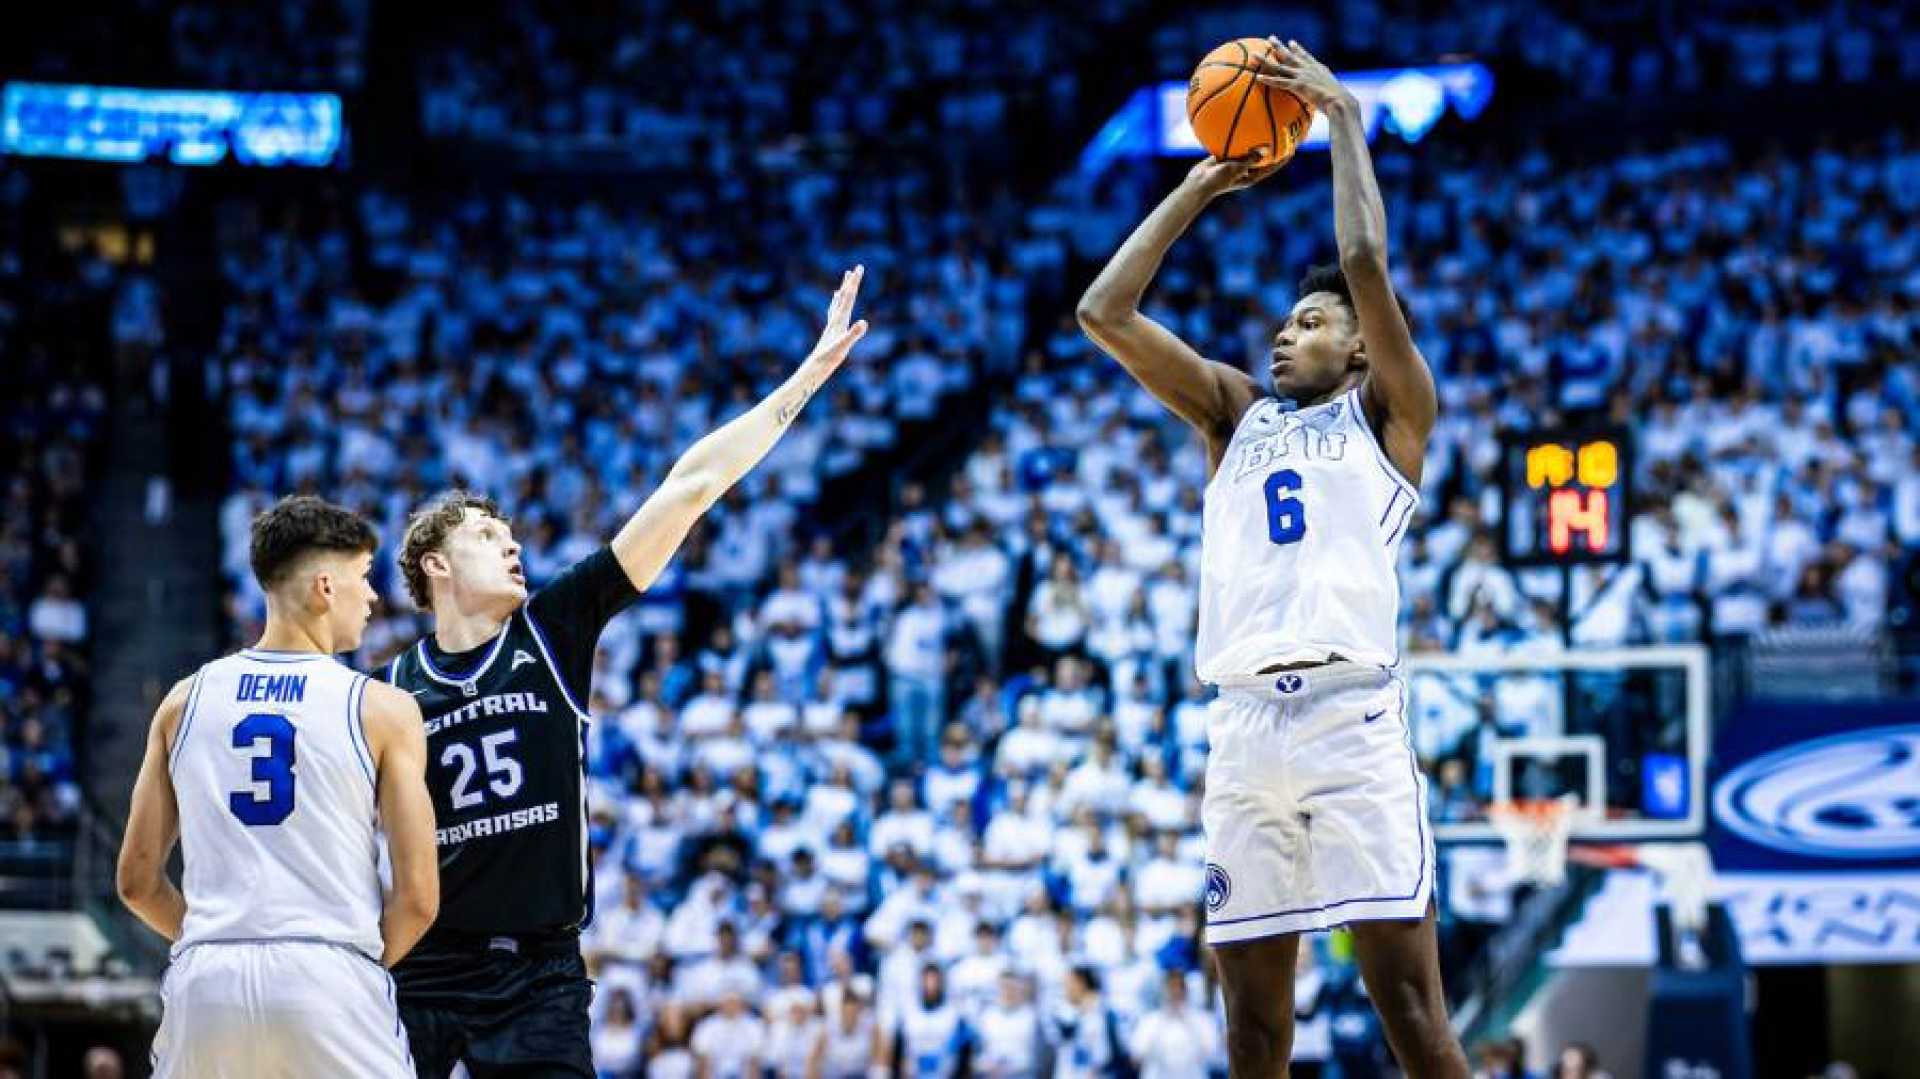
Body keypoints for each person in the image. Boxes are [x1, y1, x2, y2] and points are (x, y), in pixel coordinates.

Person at [1076, 38, 1466, 1076]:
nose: (1282, 337)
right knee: (1252, 1032)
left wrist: (1341, 116)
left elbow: (1369, 263)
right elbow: (1102, 312)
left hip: (1352, 723)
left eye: (1309, 322)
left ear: (1359, 347)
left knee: (1412, 1016)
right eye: (1284, 322)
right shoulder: (1233, 414)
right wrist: (1197, 189)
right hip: (1244, 729)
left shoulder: (1393, 415)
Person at [381, 269, 870, 1077]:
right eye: (486, 534)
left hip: (539, 973)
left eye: (512, 533)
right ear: (435, 563)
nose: (513, 544)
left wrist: (806, 378)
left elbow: (692, 487)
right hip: (423, 969)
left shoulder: (554, 626)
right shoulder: (389, 687)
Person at [117, 496, 439, 1076]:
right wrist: (347, 960)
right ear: (323, 587)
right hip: (330, 971)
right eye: (364, 578)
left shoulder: (182, 702)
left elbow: (138, 881)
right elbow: (418, 897)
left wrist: (219, 938)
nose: (372, 598)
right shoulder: (382, 708)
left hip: (207, 981)